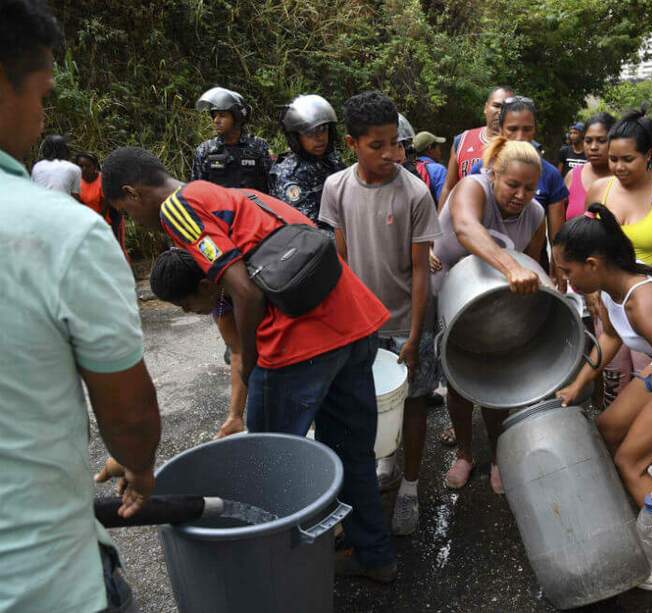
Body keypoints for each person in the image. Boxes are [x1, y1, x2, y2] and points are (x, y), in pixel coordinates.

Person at [101, 146, 397, 582]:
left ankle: (278, 572)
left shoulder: (176, 209)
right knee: (352, 451)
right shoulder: (227, 193)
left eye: (122, 209)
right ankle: (376, 556)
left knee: (268, 466)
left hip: (298, 342)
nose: (129, 217)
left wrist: (252, 361)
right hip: (353, 323)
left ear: (132, 192)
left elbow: (245, 289)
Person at [0, 3, 161, 610]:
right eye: (41, 93)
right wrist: (140, 467)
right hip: (42, 581)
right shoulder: (60, 232)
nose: (41, 117)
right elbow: (127, 409)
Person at [553, 204, 652, 588]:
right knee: (606, 429)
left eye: (567, 271)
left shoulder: (644, 303)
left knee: (629, 462)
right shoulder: (611, 284)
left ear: (592, 263)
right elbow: (610, 336)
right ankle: (647, 492)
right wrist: (578, 383)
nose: (565, 279)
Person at [319, 92, 442, 536]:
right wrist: (345, 325)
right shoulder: (336, 188)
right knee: (365, 405)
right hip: (359, 326)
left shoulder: (415, 192)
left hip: (406, 321)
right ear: (352, 143)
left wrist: (413, 335)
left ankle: (409, 487)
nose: (391, 153)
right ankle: (379, 472)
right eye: (377, 145)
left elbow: (419, 272)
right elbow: (341, 261)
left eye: (396, 142)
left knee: (412, 405)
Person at [432, 137, 547, 494]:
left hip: (498, 304)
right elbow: (466, 228)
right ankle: (465, 454)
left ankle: (499, 456)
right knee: (459, 380)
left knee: (498, 380)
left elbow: (532, 261)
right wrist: (510, 266)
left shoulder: (536, 215)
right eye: (512, 184)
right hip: (452, 294)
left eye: (529, 187)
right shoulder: (473, 187)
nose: (520, 194)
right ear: (494, 174)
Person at [585, 111, 652, 405]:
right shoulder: (599, 190)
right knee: (614, 376)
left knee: (650, 380)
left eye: (627, 159)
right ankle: (616, 438)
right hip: (609, 303)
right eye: (613, 159)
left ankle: (648, 441)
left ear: (648, 155)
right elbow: (587, 245)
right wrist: (593, 290)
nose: (618, 167)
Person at [148, 249, 249, 440]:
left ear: (204, 286)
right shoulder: (220, 302)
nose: (186, 311)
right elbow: (237, 352)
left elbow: (240, 355)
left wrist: (236, 414)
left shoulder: (238, 287)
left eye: (185, 304)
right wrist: (235, 415)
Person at [468, 96, 567, 268]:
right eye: (512, 129)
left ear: (535, 130)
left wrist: (558, 267)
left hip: (531, 262)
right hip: (480, 267)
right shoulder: (481, 169)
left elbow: (556, 234)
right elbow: (467, 224)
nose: (520, 137)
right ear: (500, 129)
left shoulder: (550, 174)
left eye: (527, 129)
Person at [268, 94, 345, 234]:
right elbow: (309, 229)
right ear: (296, 138)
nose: (319, 138)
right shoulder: (289, 175)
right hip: (317, 245)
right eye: (310, 132)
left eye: (323, 129)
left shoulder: (332, 160)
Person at [437, 85, 514, 210]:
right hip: (464, 218)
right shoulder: (462, 140)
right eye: (496, 106)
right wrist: (440, 223)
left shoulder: (518, 146)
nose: (500, 112)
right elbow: (449, 187)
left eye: (507, 108)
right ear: (485, 108)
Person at [191, 86, 272, 192]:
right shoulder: (205, 150)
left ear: (237, 118)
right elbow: (197, 191)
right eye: (214, 116)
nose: (216, 120)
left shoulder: (259, 147)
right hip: (218, 207)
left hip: (251, 207)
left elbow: (272, 187)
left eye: (222, 115)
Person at [562, 113, 615, 222]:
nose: (593, 147)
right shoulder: (573, 175)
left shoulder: (624, 178)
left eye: (601, 141)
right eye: (588, 141)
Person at [77, 151, 128, 260]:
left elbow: (105, 207)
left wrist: (95, 226)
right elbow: (79, 205)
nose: (84, 169)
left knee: (117, 249)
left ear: (95, 166)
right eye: (80, 166)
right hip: (91, 221)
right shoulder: (77, 183)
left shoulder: (103, 181)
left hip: (110, 219)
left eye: (87, 166)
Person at [31, 133, 80, 199]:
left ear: (46, 149)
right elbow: (75, 196)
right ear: (65, 149)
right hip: (63, 206)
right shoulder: (74, 168)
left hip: (40, 206)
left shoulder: (37, 166)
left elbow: (33, 191)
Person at [413, 130, 448, 203]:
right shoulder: (438, 170)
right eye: (438, 147)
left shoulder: (409, 167)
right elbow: (445, 202)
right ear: (430, 148)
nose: (440, 151)